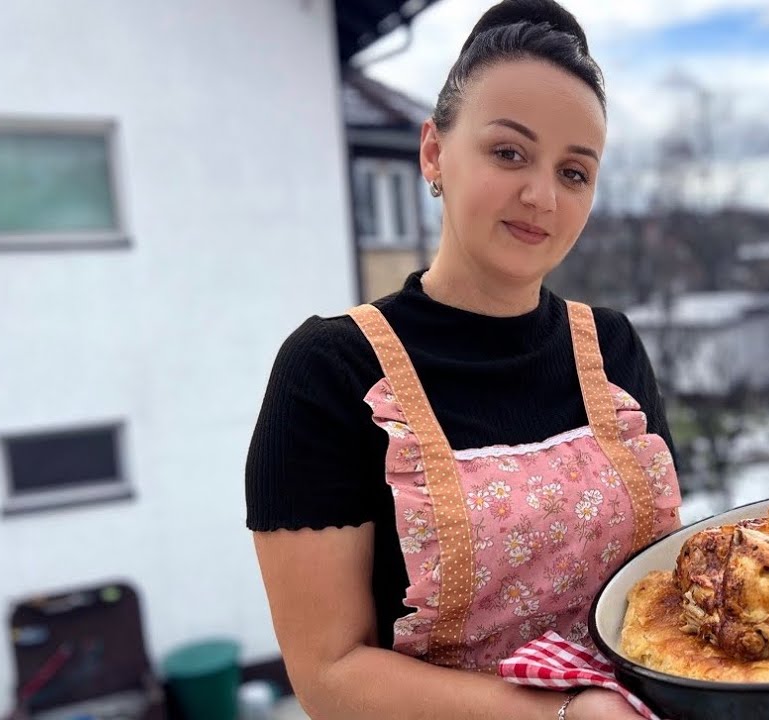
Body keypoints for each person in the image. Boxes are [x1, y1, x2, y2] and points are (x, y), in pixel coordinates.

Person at [245, 2, 683, 718]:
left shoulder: (610, 347)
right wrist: (567, 714)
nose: (541, 196)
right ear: (433, 153)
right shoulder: (333, 371)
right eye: (508, 153)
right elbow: (329, 674)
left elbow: (659, 584)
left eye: (574, 172)